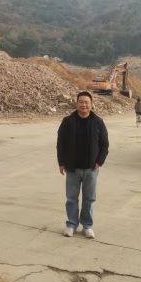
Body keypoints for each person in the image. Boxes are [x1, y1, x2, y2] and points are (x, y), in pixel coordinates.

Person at [57, 91, 109, 239]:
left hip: (91, 168)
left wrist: (99, 161)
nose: (84, 105)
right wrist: (61, 162)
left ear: (91, 104)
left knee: (89, 198)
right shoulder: (68, 121)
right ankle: (71, 224)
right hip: (72, 168)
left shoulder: (98, 122)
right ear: (76, 103)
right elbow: (60, 143)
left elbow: (104, 144)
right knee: (71, 198)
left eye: (86, 102)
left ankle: (87, 226)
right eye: (81, 102)